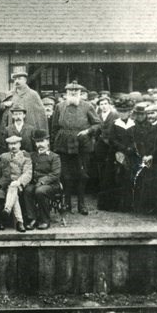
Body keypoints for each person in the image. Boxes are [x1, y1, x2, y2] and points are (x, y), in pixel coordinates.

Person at [51, 82, 100, 215]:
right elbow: (54, 127)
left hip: (82, 145)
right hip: (63, 145)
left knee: (82, 175)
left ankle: (81, 204)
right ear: (66, 94)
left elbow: (97, 124)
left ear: (80, 93)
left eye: (75, 92)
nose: (73, 93)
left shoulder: (88, 106)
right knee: (66, 175)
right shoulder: (59, 106)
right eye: (70, 92)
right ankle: (66, 203)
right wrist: (55, 143)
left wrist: (88, 132)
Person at [23, 129, 61, 230]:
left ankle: (45, 220)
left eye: (41, 141)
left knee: (40, 191)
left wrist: (42, 181)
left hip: (51, 185)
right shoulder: (32, 156)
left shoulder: (54, 157)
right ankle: (32, 218)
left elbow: (55, 174)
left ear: (47, 141)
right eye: (37, 142)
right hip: (35, 183)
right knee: (27, 190)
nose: (39, 144)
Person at [0, 65, 47, 132]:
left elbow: (41, 115)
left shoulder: (33, 95)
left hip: (28, 130)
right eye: (15, 79)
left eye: (19, 79)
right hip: (12, 130)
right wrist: (4, 105)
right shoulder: (10, 94)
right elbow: (2, 111)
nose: (16, 81)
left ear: (25, 80)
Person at [0, 135, 32, 232]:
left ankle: (8, 209)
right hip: (6, 182)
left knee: (13, 188)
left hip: (18, 183)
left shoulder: (26, 157)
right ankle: (20, 223)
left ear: (20, 144)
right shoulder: (3, 156)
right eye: (11, 144)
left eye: (15, 144)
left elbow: (28, 173)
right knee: (14, 193)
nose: (13, 146)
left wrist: (19, 182)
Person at [93, 95, 120, 211]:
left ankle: (111, 198)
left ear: (109, 105)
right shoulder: (97, 116)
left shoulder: (115, 115)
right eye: (101, 104)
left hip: (111, 146)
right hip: (101, 146)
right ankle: (102, 196)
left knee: (111, 171)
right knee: (101, 170)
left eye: (105, 104)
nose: (103, 106)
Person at [111, 98, 137, 212]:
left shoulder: (134, 124)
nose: (122, 113)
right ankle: (119, 204)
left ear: (129, 112)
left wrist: (131, 148)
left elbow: (137, 138)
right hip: (118, 153)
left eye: (125, 111)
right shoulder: (115, 124)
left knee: (131, 178)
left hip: (132, 154)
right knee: (119, 178)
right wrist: (122, 148)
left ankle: (131, 203)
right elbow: (112, 139)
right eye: (120, 111)